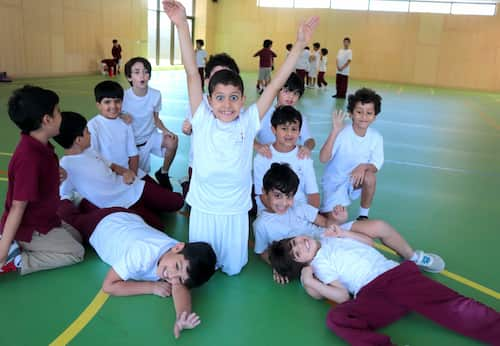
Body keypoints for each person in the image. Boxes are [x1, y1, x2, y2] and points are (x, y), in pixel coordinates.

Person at [164, 0, 319, 275]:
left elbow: (273, 85)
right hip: (205, 207)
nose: (227, 104)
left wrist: (299, 44)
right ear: (209, 100)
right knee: (202, 269)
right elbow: (191, 73)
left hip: (235, 210)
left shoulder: (248, 120)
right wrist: (181, 25)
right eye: (220, 98)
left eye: (234, 97)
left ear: (243, 99)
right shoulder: (202, 116)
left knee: (233, 268)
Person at [269, 234, 500, 345]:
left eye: (294, 242)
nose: (300, 245)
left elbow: (368, 242)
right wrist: (311, 283)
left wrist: (343, 232)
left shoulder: (330, 238)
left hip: (396, 276)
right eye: (298, 253)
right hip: (372, 294)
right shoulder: (320, 264)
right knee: (337, 319)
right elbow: (342, 296)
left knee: (452, 305)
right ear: (304, 263)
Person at [254, 163, 445, 282]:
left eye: (289, 196)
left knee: (378, 226)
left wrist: (337, 220)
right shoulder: (262, 224)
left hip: (325, 237)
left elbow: (325, 223)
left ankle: (411, 256)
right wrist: (278, 266)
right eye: (277, 196)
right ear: (265, 192)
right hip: (309, 255)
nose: (284, 203)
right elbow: (262, 252)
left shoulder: (299, 207)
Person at [57, 199, 216, 339]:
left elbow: (180, 289)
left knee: (93, 206)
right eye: (177, 267)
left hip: (127, 217)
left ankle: (86, 201)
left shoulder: (178, 254)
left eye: (180, 278)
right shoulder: (141, 254)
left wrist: (182, 316)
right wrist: (151, 287)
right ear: (178, 247)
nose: (171, 276)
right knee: (70, 219)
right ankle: (65, 197)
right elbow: (109, 286)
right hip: (100, 226)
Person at [0, 86, 84, 275]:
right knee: (76, 252)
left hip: (47, 218)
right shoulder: (28, 158)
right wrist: (2, 250)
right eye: (58, 112)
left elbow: (45, 172)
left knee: (77, 237)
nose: (61, 116)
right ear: (47, 120)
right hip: (31, 228)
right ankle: (16, 259)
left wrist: (57, 173)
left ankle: (16, 245)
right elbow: (17, 207)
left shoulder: (40, 144)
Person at [54, 111, 183, 230]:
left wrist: (126, 172)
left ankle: (182, 185)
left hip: (133, 187)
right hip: (121, 206)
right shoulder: (65, 166)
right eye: (87, 132)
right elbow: (63, 195)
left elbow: (113, 166)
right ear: (78, 140)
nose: (90, 134)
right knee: (158, 226)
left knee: (177, 202)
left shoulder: (90, 151)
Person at [179, 52, 241, 199]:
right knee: (196, 201)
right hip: (200, 166)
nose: (222, 81)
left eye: (226, 76)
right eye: (216, 76)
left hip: (227, 168)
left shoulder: (237, 108)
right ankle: (186, 184)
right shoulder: (198, 104)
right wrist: (187, 129)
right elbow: (190, 128)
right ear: (207, 81)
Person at [319, 88, 383, 221]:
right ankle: (324, 211)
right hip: (335, 182)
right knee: (335, 220)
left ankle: (363, 216)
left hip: (354, 181)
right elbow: (323, 158)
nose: (364, 117)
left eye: (369, 113)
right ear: (351, 114)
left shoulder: (376, 137)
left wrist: (363, 166)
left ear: (375, 116)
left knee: (370, 177)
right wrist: (335, 131)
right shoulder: (342, 133)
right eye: (359, 112)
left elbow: (376, 165)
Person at [121, 57, 179, 190]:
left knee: (173, 141)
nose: (142, 75)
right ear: (129, 77)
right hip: (132, 145)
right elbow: (113, 118)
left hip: (150, 137)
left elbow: (156, 119)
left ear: (149, 76)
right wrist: (122, 115)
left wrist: (165, 130)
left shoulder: (156, 95)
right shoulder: (123, 97)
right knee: (137, 182)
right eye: (137, 72)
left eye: (145, 72)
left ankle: (163, 173)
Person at [253, 107, 320, 212]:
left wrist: (312, 216)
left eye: (294, 129)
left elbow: (313, 194)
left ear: (299, 131)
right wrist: (281, 213)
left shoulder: (303, 156)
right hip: (271, 212)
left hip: (299, 213)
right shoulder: (262, 157)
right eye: (284, 128)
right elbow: (261, 194)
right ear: (273, 130)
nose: (289, 134)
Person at [254, 72, 315, 160]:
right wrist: (258, 146)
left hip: (289, 165)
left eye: (296, 93)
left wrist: (307, 147)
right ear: (277, 91)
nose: (291, 97)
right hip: (266, 162)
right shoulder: (263, 113)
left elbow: (309, 140)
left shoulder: (299, 117)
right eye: (286, 91)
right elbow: (246, 135)